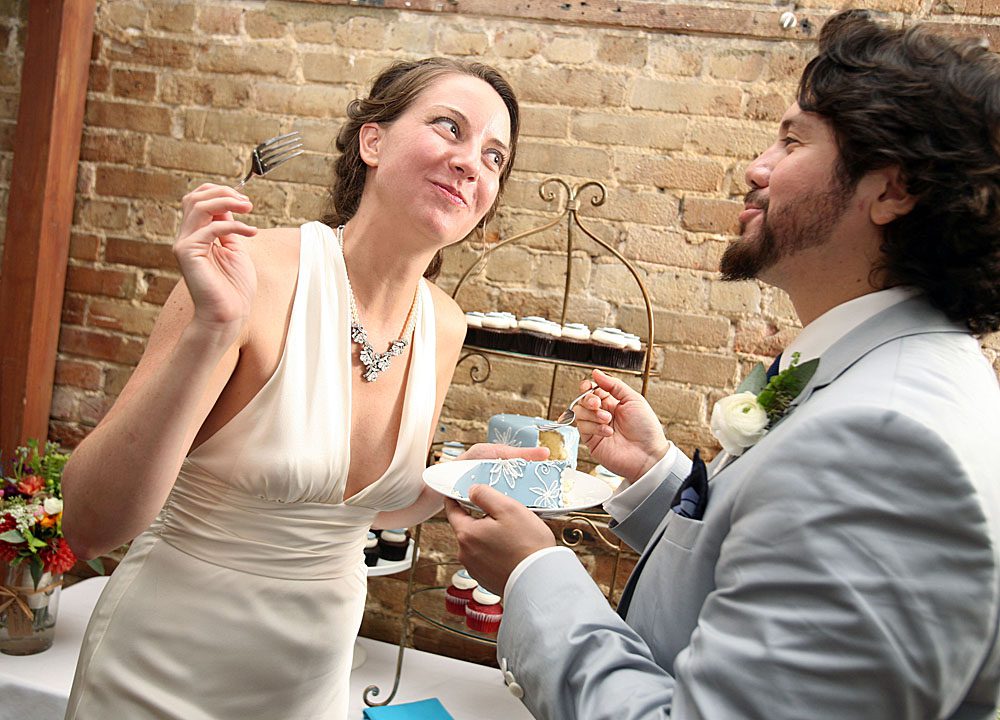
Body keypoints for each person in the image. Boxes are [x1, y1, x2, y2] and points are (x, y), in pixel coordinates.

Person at [446, 11, 1000, 719]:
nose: (756, 168)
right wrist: (654, 475)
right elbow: (773, 556)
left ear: (891, 190)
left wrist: (533, 573)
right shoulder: (879, 373)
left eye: (793, 141)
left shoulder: (883, 441)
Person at [60, 57, 520, 719]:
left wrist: (455, 479)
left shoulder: (444, 324)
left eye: (494, 156)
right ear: (372, 141)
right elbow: (87, 525)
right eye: (449, 128)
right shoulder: (251, 273)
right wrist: (211, 330)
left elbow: (355, 509)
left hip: (310, 694)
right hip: (158, 680)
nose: (471, 161)